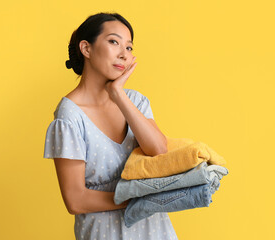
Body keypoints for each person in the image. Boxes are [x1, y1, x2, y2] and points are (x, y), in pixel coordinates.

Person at [43, 12, 178, 240]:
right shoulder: (69, 117)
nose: (123, 55)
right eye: (114, 42)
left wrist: (118, 95)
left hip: (156, 232)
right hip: (104, 233)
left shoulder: (135, 102)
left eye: (129, 48)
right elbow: (76, 200)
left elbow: (159, 150)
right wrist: (140, 197)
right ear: (86, 49)